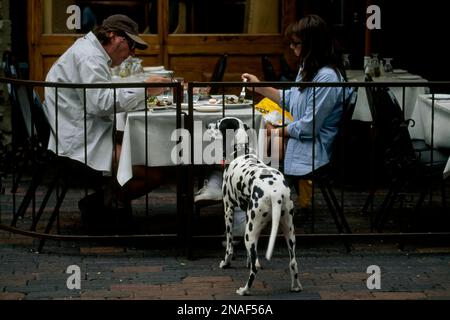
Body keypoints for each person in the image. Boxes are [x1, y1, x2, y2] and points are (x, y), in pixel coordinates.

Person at [195, 14, 351, 222]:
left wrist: (274, 131)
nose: (292, 48)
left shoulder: (327, 77)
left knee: (251, 142)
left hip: (312, 145)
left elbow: (308, 128)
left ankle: (231, 198)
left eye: (296, 43)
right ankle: (228, 192)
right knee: (243, 137)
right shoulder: (308, 68)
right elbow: (291, 101)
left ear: (312, 44)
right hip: (299, 136)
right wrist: (260, 86)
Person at [44, 14, 171, 219]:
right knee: (154, 172)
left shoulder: (88, 50)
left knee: (146, 147)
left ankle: (103, 204)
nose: (132, 53)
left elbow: (99, 98)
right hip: (80, 140)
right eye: (130, 45)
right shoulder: (90, 57)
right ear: (112, 36)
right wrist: (144, 89)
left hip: (82, 130)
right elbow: (100, 103)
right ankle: (105, 205)